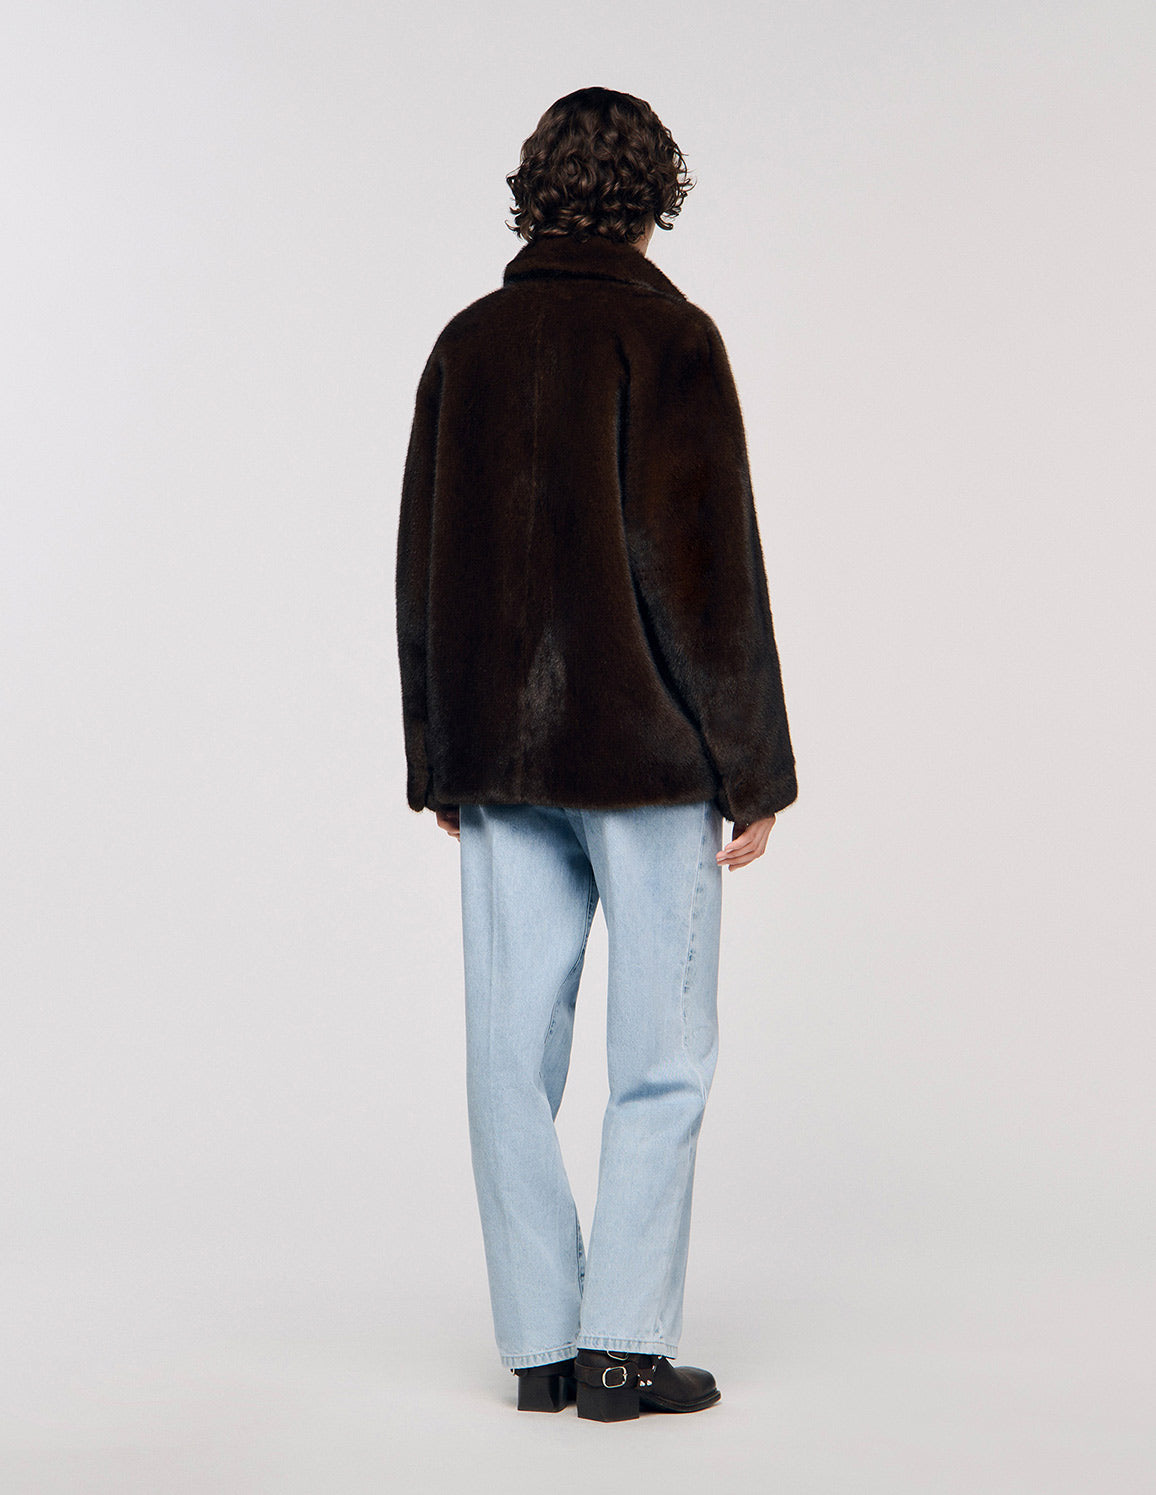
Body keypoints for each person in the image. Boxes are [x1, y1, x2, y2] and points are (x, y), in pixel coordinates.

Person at [395, 86, 798, 1421]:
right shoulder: (669, 336)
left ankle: (538, 1348)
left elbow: (422, 558)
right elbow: (707, 570)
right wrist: (754, 766)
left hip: (502, 761)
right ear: (654, 195)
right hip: (649, 756)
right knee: (661, 1055)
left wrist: (438, 752)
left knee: (506, 1056)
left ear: (535, 187)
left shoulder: (468, 341)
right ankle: (622, 1348)